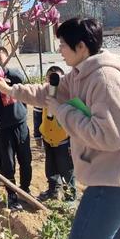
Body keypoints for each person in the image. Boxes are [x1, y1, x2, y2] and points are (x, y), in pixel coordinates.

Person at [0, 18, 120, 239]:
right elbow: (49, 93)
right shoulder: (79, 75)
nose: (59, 50)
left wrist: (62, 111)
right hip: (118, 182)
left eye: (63, 45)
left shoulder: (104, 79)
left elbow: (111, 135)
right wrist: (11, 90)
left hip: (110, 187)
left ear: (81, 47)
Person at [0, 47, 32, 211]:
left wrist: (3, 71)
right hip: (4, 129)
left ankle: (25, 190)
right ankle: (12, 196)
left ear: (7, 58)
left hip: (20, 125)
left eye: (0, 58)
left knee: (25, 160)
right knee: (8, 164)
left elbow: (20, 78)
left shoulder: (13, 75)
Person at [33, 66, 76, 202]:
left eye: (57, 78)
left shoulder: (68, 96)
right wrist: (38, 136)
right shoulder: (43, 96)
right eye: (51, 78)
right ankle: (53, 190)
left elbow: (74, 122)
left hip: (63, 140)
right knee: (50, 167)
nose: (54, 82)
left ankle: (70, 196)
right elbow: (37, 116)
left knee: (67, 168)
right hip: (47, 138)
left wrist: (72, 142)